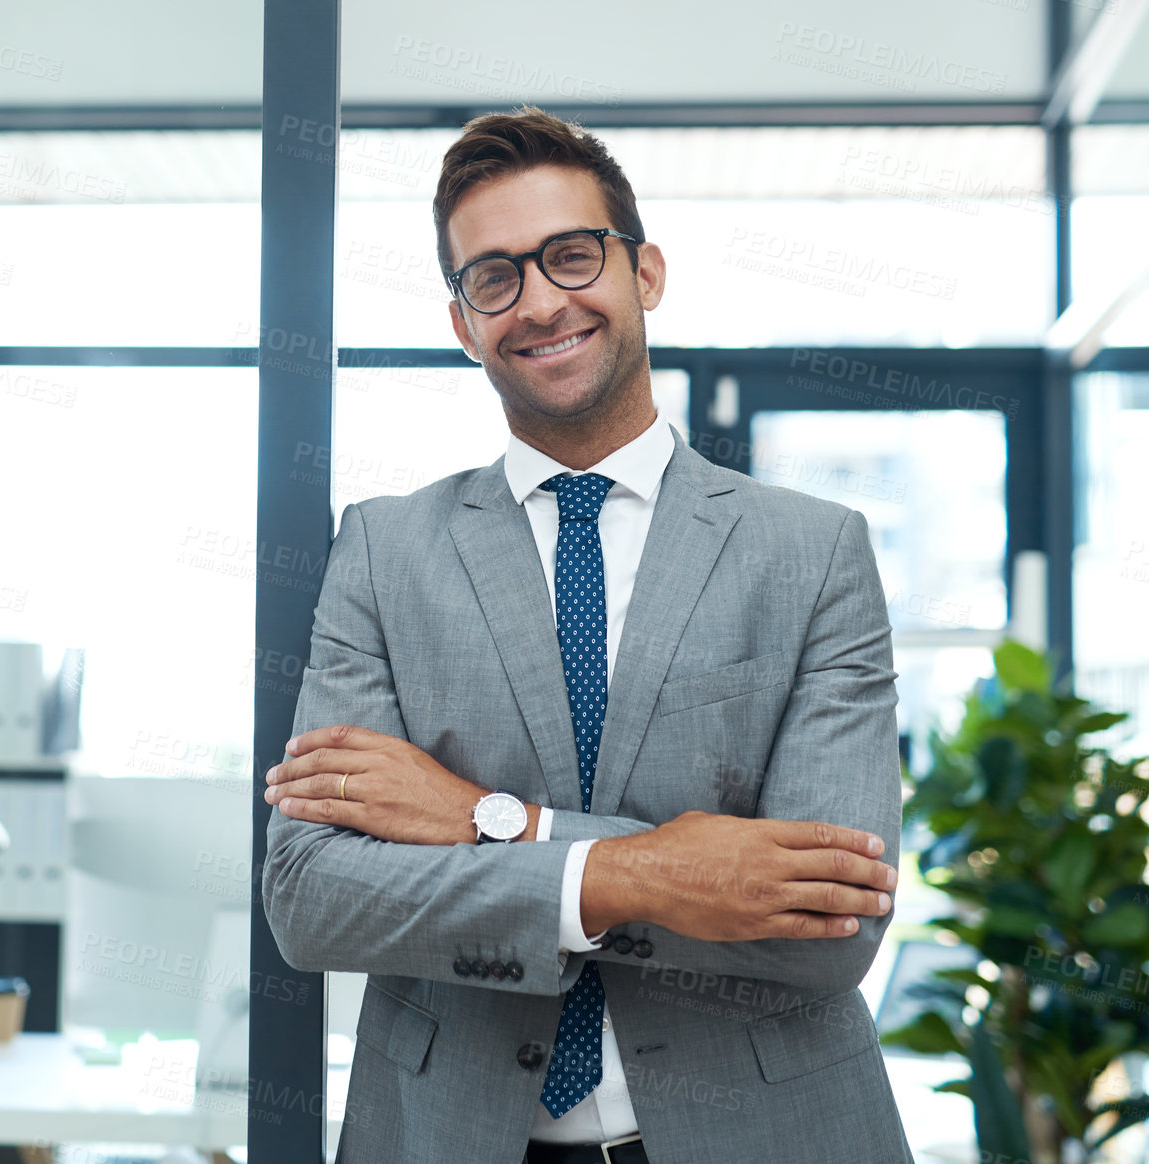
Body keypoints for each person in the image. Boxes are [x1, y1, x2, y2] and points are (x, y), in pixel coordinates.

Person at [261, 106, 913, 1164]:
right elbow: (313, 900)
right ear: (462, 323)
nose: (539, 302)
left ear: (643, 272)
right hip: (446, 1134)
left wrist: (491, 824)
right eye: (493, 277)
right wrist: (666, 868)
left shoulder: (811, 554)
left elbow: (827, 924)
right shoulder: (382, 552)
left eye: (570, 256)